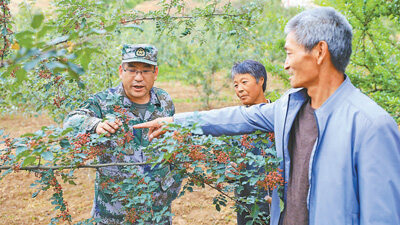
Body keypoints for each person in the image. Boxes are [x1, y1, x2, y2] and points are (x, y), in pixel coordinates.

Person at [133, 7, 400, 225]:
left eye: (289, 53)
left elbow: (383, 217)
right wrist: (174, 122)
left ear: (319, 52)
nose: (285, 64)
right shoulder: (288, 107)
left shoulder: (371, 126)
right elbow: (234, 117)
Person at [64, 44, 180, 224]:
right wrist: (95, 124)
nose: (138, 78)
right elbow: (70, 121)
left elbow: (173, 144)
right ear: (121, 71)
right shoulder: (104, 102)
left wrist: (173, 185)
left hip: (156, 210)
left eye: (145, 71)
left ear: (155, 73)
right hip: (114, 211)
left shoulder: (164, 101)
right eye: (132, 70)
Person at [229, 60, 273, 224]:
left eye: (244, 82)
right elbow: (230, 163)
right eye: (235, 85)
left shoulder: (278, 119)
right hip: (247, 208)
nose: (239, 89)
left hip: (275, 205)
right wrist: (229, 172)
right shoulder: (233, 125)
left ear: (260, 80)